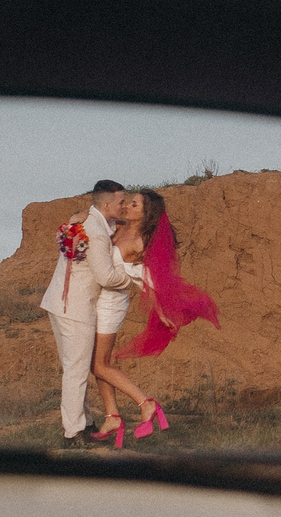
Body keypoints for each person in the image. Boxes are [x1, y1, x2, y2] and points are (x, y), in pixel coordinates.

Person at [90, 188, 219, 446]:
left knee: (100, 365)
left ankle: (146, 403)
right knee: (97, 364)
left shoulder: (140, 244)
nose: (127, 207)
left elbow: (149, 280)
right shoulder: (118, 226)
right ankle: (112, 416)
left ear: (145, 215)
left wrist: (162, 313)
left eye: (134, 205)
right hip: (97, 300)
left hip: (111, 305)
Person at [39, 179, 138, 439]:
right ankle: (73, 433)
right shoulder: (93, 229)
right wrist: (133, 279)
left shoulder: (93, 221)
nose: (124, 205)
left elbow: (110, 223)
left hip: (60, 302)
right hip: (75, 307)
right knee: (77, 370)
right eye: (121, 201)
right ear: (106, 204)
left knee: (76, 367)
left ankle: (84, 423)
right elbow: (105, 277)